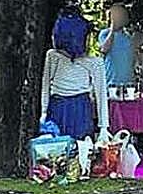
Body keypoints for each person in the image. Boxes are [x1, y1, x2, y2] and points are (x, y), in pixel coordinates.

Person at [40, 8, 109, 140]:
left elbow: (101, 95)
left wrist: (103, 127)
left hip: (80, 108)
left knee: (80, 144)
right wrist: (43, 112)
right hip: (57, 107)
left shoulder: (95, 63)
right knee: (56, 147)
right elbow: (46, 85)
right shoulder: (53, 56)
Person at [98, 3, 135, 88]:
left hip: (128, 83)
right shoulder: (105, 33)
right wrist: (113, 29)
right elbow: (104, 49)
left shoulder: (128, 37)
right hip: (111, 83)